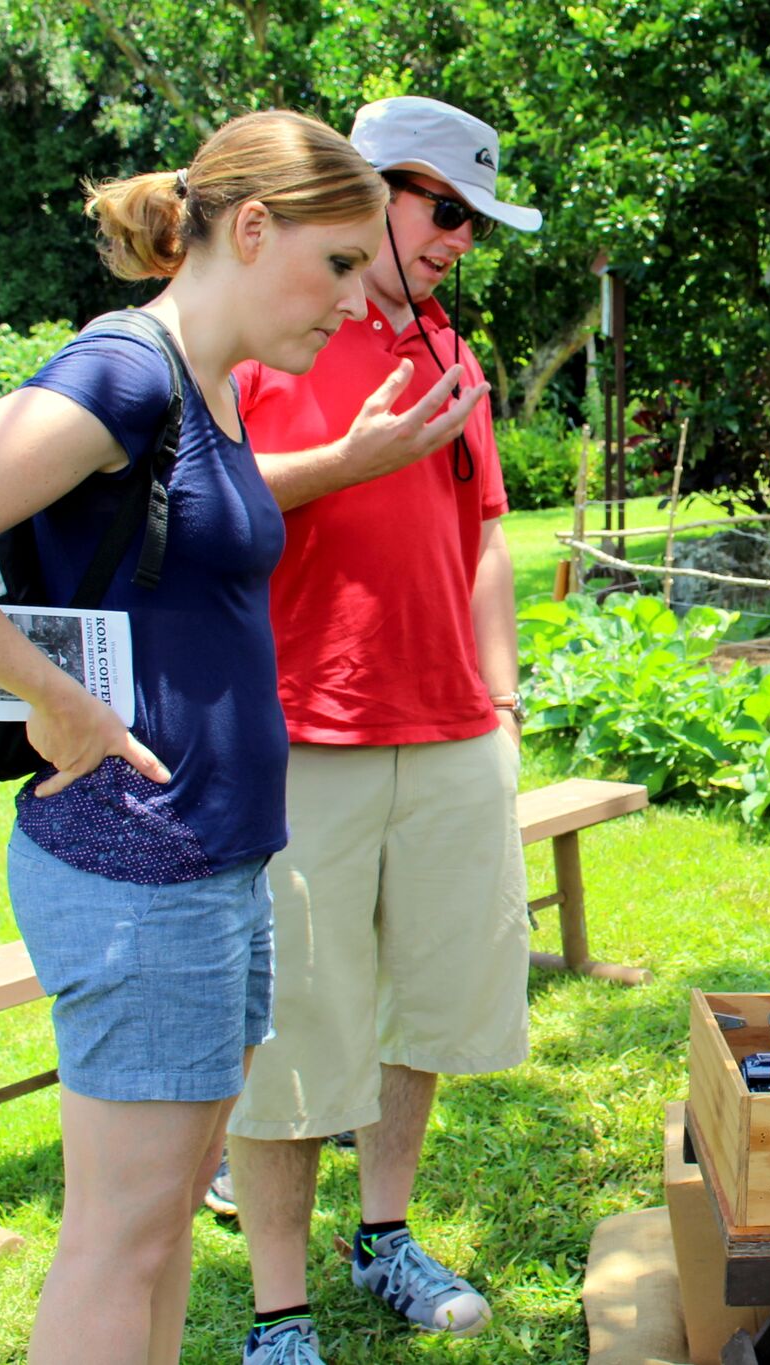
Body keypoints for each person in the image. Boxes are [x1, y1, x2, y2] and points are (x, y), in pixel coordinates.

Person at [0, 112, 401, 1364]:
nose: (356, 301)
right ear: (253, 229)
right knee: (119, 1239)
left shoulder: (207, 386)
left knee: (158, 1234)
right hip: (140, 869)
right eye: (343, 262)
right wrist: (58, 697)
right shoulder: (127, 371)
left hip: (208, 867)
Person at [219, 95, 539, 1365]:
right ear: (371, 192)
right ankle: (279, 1314)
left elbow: (487, 535)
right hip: (304, 735)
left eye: (473, 220)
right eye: (444, 211)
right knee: (297, 1030)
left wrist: (500, 696)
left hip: (455, 732)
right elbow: (198, 510)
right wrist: (338, 465)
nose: (459, 239)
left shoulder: (454, 352)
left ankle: (384, 1235)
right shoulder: (272, 337)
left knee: (428, 1013)